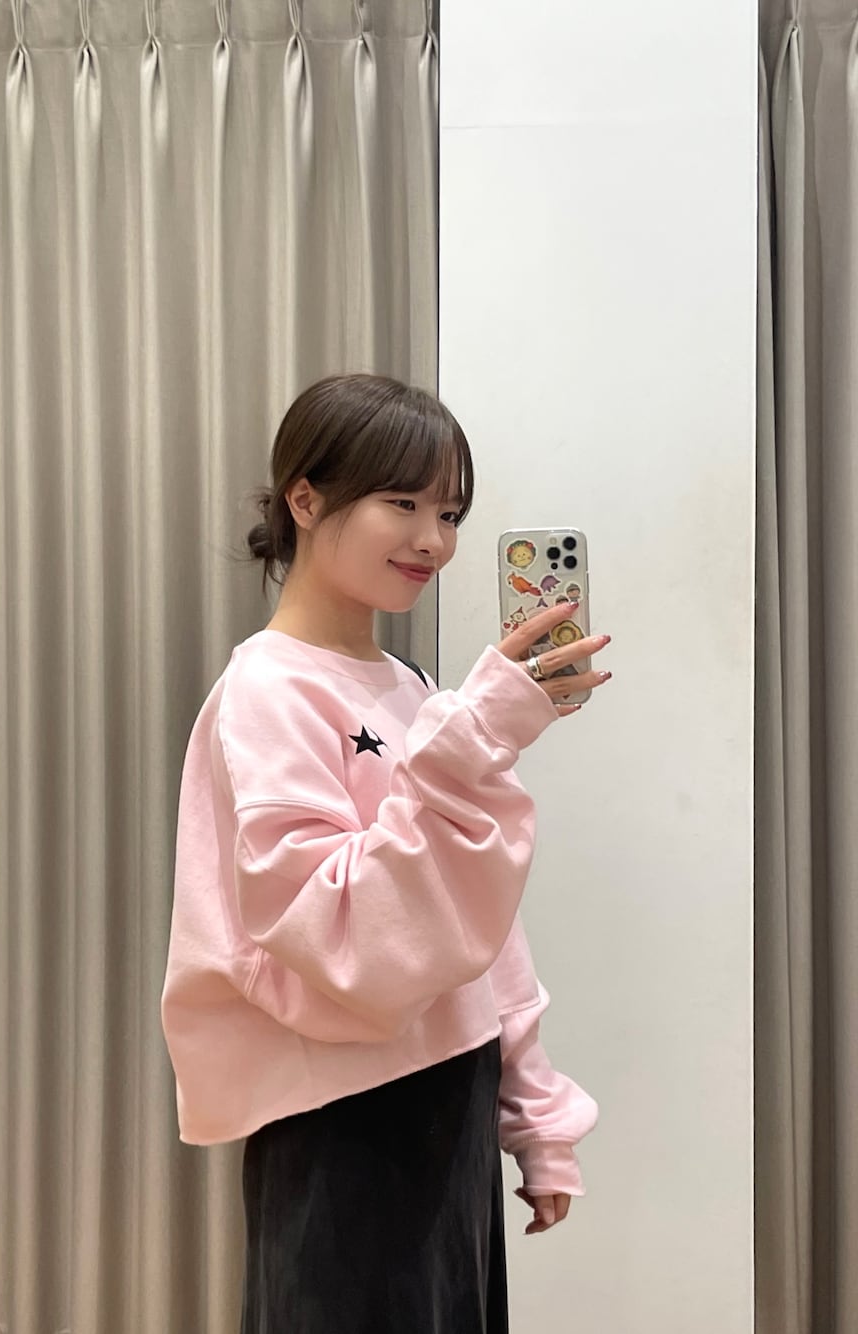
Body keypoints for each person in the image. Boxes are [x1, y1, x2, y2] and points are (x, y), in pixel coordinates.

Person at [161, 373, 612, 1334]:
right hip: (344, 1118)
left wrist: (534, 1116)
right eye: (402, 503)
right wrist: (475, 737)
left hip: (450, 1101)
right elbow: (335, 933)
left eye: (449, 512)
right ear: (305, 498)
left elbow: (484, 933)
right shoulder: (268, 690)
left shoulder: (410, 687)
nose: (433, 541)